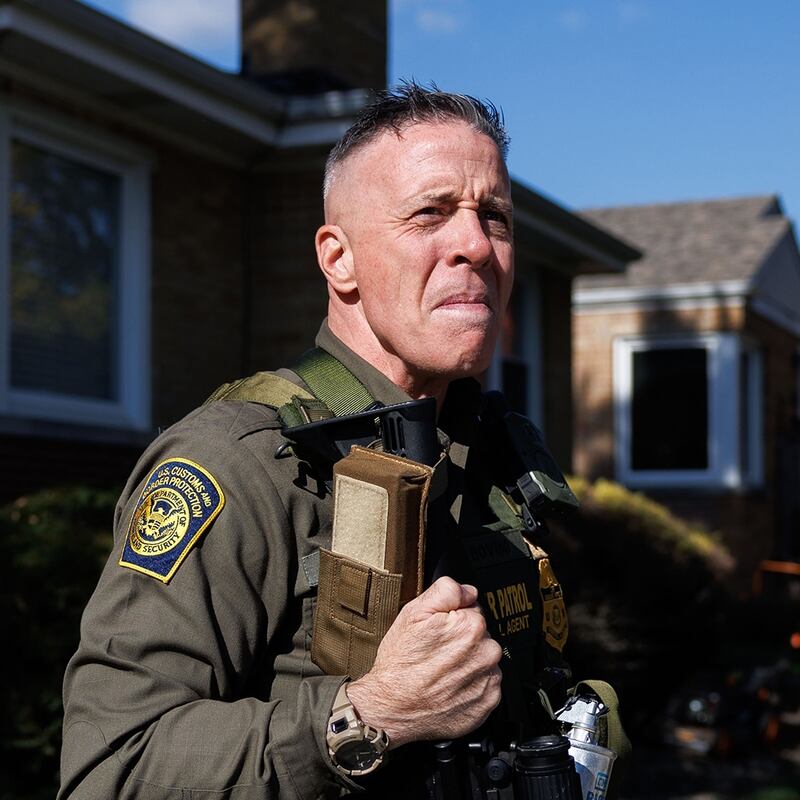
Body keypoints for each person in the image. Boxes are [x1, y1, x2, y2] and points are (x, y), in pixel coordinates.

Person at [59, 83, 625, 800]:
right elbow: (111, 768)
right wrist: (373, 714)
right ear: (339, 260)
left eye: (495, 217)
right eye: (430, 213)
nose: (478, 245)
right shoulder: (240, 463)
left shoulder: (491, 455)